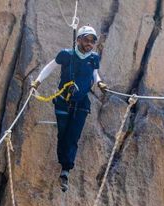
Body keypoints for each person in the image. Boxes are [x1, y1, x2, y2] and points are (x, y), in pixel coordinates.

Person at [30, 26, 108, 192]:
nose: (90, 43)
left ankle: (66, 169)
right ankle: (63, 162)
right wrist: (37, 82)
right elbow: (50, 67)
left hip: (81, 103)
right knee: (63, 134)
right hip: (63, 101)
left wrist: (99, 82)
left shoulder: (94, 58)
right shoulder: (66, 54)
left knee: (73, 136)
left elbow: (94, 73)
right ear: (78, 39)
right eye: (86, 40)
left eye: (92, 41)